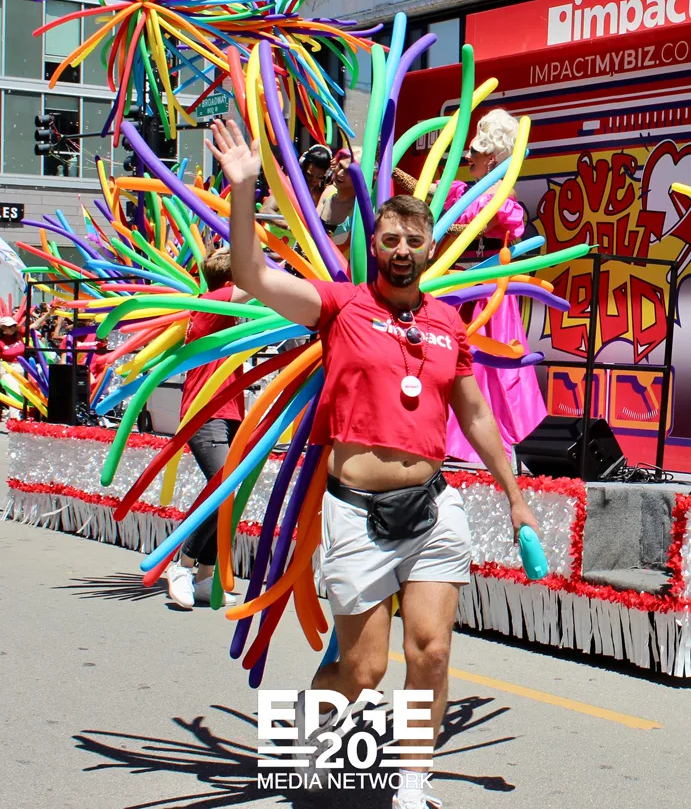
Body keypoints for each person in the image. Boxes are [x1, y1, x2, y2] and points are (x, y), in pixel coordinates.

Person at [205, 119, 539, 809]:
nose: (402, 250)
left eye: (413, 240)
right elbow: (250, 274)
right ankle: (301, 737)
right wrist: (243, 191)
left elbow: (476, 415)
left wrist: (514, 495)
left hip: (432, 509)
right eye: (390, 239)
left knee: (431, 652)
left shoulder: (446, 323)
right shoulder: (341, 307)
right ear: (376, 246)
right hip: (357, 513)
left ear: (429, 247)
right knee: (361, 671)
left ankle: (412, 785)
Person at [443, 109, 547, 465]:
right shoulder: (461, 191)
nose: (467, 156)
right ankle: (451, 442)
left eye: (475, 150)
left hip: (487, 294)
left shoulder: (502, 193)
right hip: (457, 289)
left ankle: (487, 443)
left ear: (492, 157)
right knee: (453, 362)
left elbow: (483, 223)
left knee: (490, 365)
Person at [165, 249, 251, 610]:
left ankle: (205, 576)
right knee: (223, 487)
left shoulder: (219, 309)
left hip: (227, 412)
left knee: (229, 492)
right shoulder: (214, 303)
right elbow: (259, 286)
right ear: (231, 281)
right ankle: (182, 564)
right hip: (207, 413)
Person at [317, 147, 357, 233]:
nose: (339, 173)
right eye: (340, 166)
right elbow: (311, 225)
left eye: (348, 172)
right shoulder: (329, 192)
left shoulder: (359, 208)